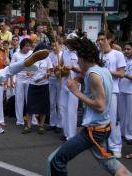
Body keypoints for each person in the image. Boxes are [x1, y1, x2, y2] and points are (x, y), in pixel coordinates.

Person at [48, 38, 132, 176]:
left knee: (56, 160)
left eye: (78, 57)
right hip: (101, 127)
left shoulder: (93, 75)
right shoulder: (101, 70)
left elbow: (100, 106)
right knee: (110, 164)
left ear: (83, 58)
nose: (77, 61)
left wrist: (76, 92)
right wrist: (77, 79)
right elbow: (86, 77)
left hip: (94, 130)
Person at [97, 31, 126, 158]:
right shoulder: (98, 55)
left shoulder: (118, 54)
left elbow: (121, 74)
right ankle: (102, 144)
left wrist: (107, 71)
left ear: (109, 40)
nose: (100, 42)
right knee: (101, 120)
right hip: (100, 92)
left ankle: (115, 146)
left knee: (113, 120)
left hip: (113, 91)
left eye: (103, 39)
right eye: (99, 40)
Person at [118, 42, 132, 145]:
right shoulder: (123, 59)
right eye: (125, 49)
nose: (126, 51)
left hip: (130, 91)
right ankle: (122, 133)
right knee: (122, 113)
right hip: (121, 89)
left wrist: (124, 74)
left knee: (130, 115)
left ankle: (129, 135)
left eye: (128, 49)